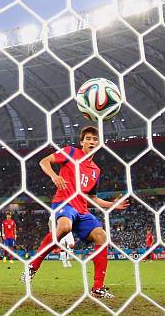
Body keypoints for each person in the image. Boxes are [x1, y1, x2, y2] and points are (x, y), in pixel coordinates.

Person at [21, 126, 129, 299]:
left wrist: (112, 205)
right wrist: (54, 176)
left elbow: (92, 197)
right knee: (64, 227)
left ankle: (97, 288)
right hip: (64, 203)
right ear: (82, 142)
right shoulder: (70, 152)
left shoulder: (96, 170)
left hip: (82, 209)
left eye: (95, 139)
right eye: (88, 138)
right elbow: (44, 161)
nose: (92, 141)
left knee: (101, 236)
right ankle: (33, 266)